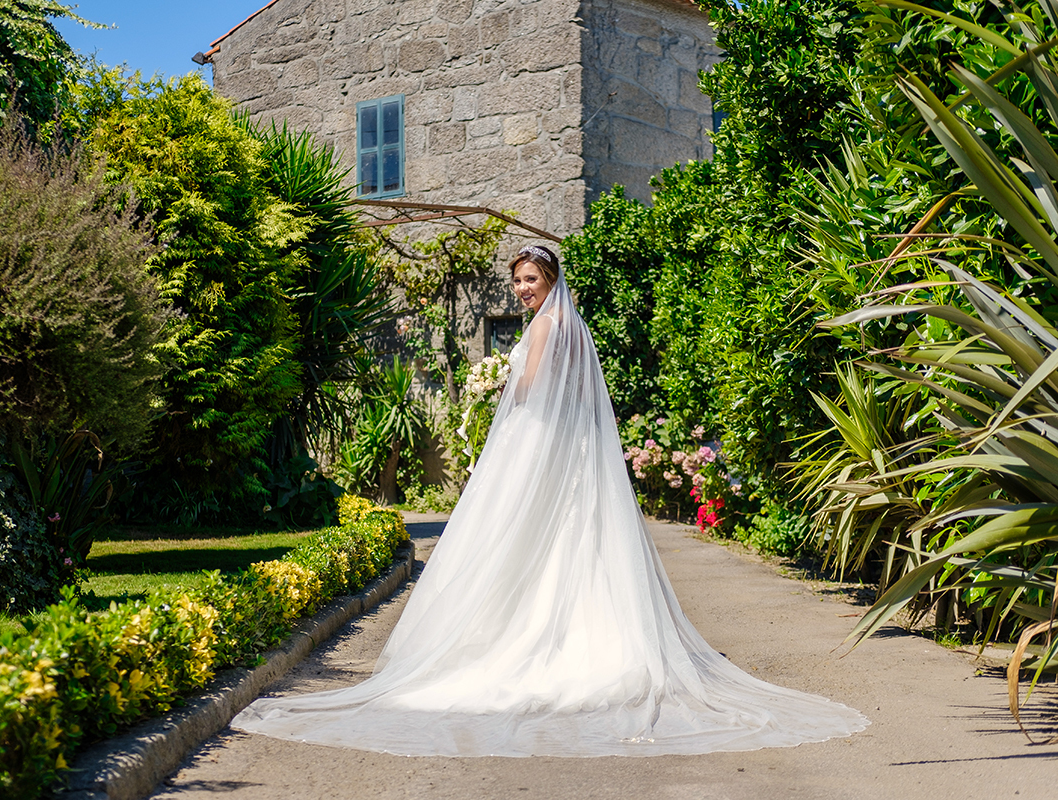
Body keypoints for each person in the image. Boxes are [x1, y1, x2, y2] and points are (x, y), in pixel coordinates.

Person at [233, 244, 868, 757]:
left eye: (530, 280)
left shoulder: (544, 326)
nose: (522, 289)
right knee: (571, 537)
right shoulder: (574, 325)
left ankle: (520, 640)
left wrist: (502, 389)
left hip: (536, 442)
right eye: (517, 281)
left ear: (550, 281)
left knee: (515, 535)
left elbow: (532, 387)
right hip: (570, 446)